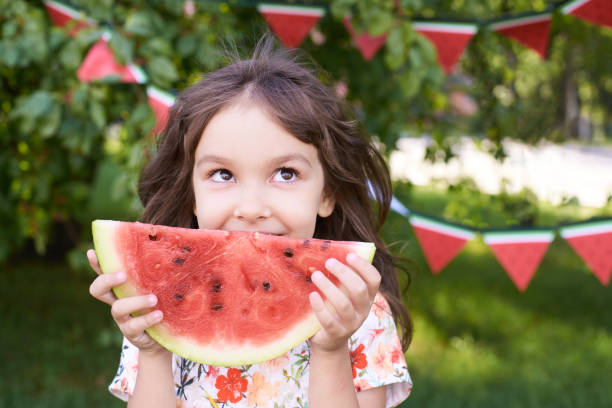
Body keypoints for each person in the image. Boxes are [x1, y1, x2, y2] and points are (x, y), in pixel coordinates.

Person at [88, 35, 413, 408]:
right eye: (223, 174)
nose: (252, 207)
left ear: (328, 194)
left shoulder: (359, 312)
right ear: (192, 192)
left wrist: (331, 349)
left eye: (286, 173)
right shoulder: (157, 305)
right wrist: (153, 350)